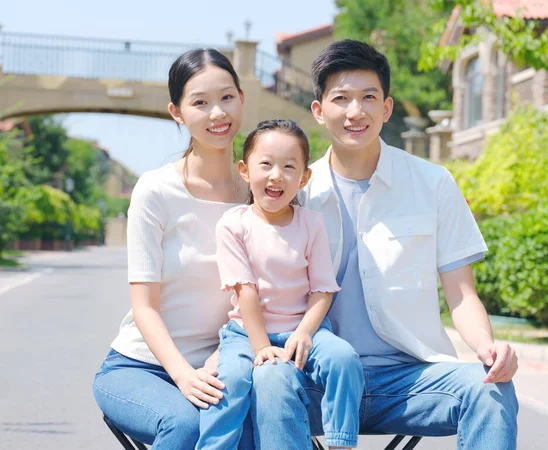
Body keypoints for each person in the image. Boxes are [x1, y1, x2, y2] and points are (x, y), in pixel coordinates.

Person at [251, 40, 519, 450]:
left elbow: (461, 293)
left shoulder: (433, 184)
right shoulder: (294, 191)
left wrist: (488, 348)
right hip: (317, 378)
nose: (355, 112)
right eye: (341, 98)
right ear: (319, 111)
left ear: (386, 108)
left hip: (410, 380)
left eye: (368, 98)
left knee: (490, 388)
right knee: (268, 380)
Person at [92, 48, 254, 449]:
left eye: (226, 97)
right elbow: (144, 305)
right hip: (141, 367)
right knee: (185, 425)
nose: (217, 113)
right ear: (177, 112)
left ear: (242, 99)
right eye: (200, 102)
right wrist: (183, 375)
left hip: (225, 366)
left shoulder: (260, 192)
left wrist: (222, 363)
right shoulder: (156, 189)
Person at [197, 119, 364, 450]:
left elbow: (322, 289)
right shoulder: (234, 225)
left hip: (305, 329)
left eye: (289, 167)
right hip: (246, 333)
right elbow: (246, 292)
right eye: (266, 164)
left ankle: (341, 443)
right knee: (228, 382)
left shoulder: (311, 224)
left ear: (303, 178)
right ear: (245, 170)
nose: (276, 175)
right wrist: (261, 348)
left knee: (345, 359)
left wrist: (304, 332)